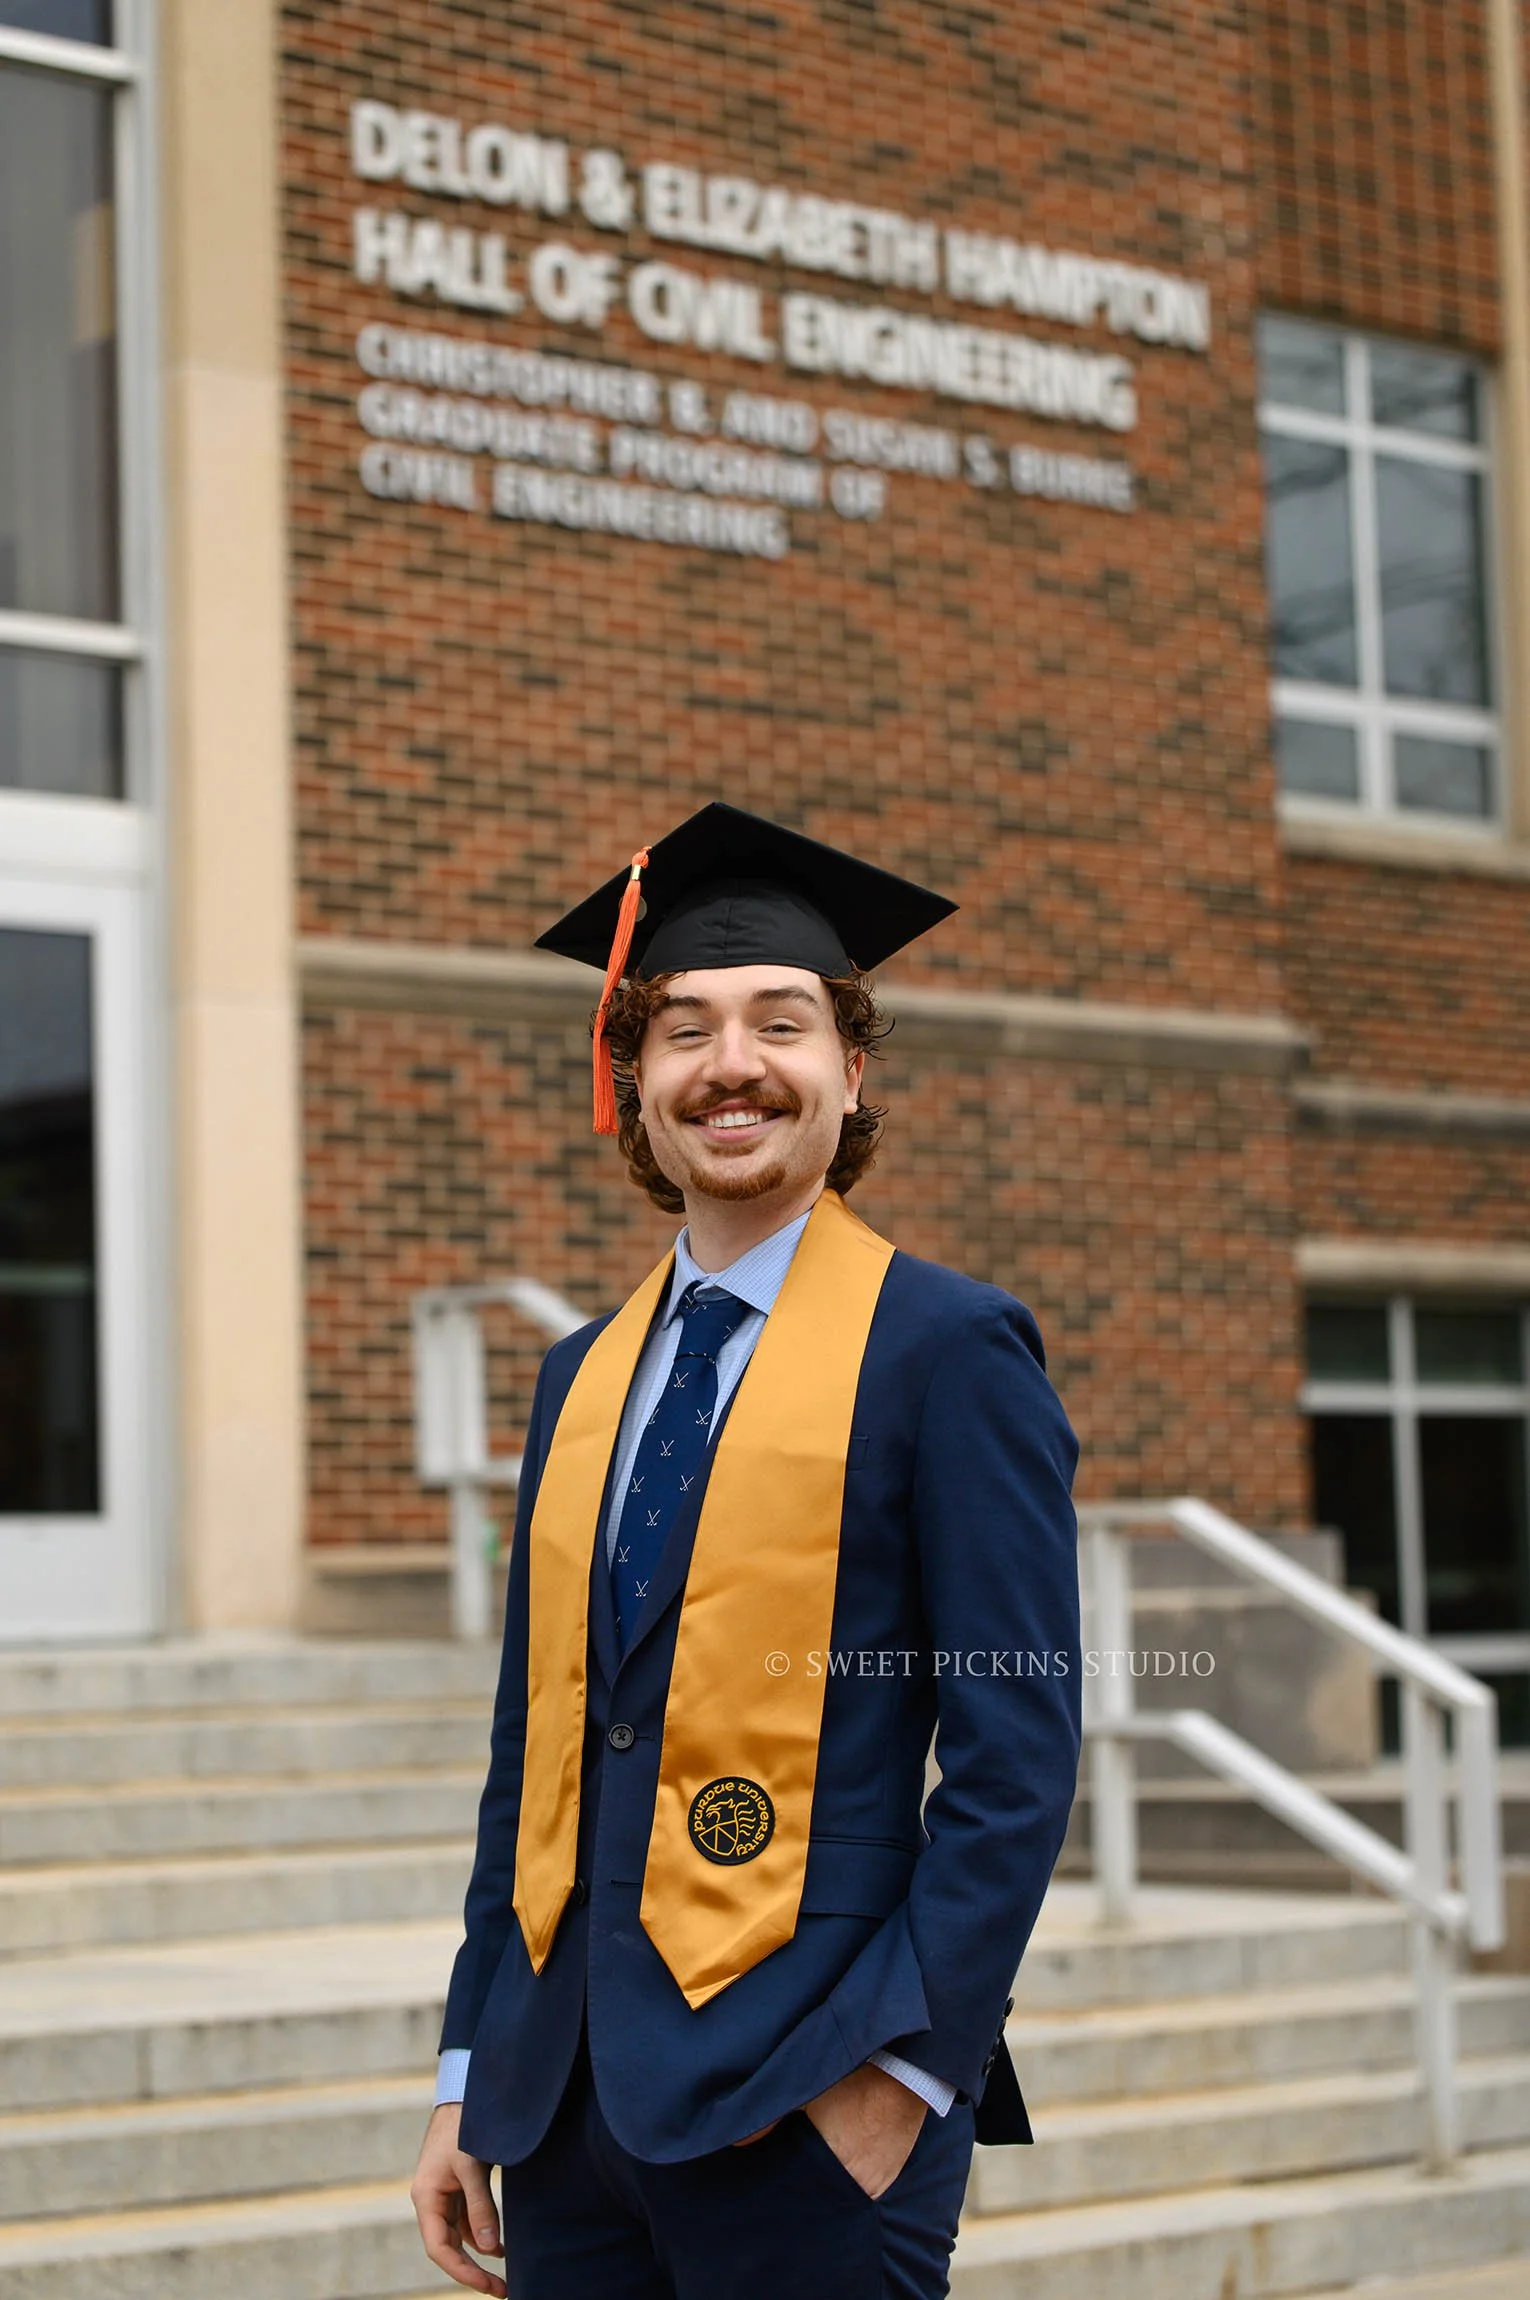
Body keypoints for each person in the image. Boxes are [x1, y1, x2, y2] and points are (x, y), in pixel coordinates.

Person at [410, 801, 1081, 2300]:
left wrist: (901, 2080)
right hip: (561, 2109)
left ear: (851, 1071)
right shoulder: (579, 1376)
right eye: (683, 1031)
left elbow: (1016, 1761)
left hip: (814, 2088)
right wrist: (470, 2068)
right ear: (634, 1081)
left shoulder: (949, 1351)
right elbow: (536, 1750)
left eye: (781, 1024)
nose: (731, 1065)